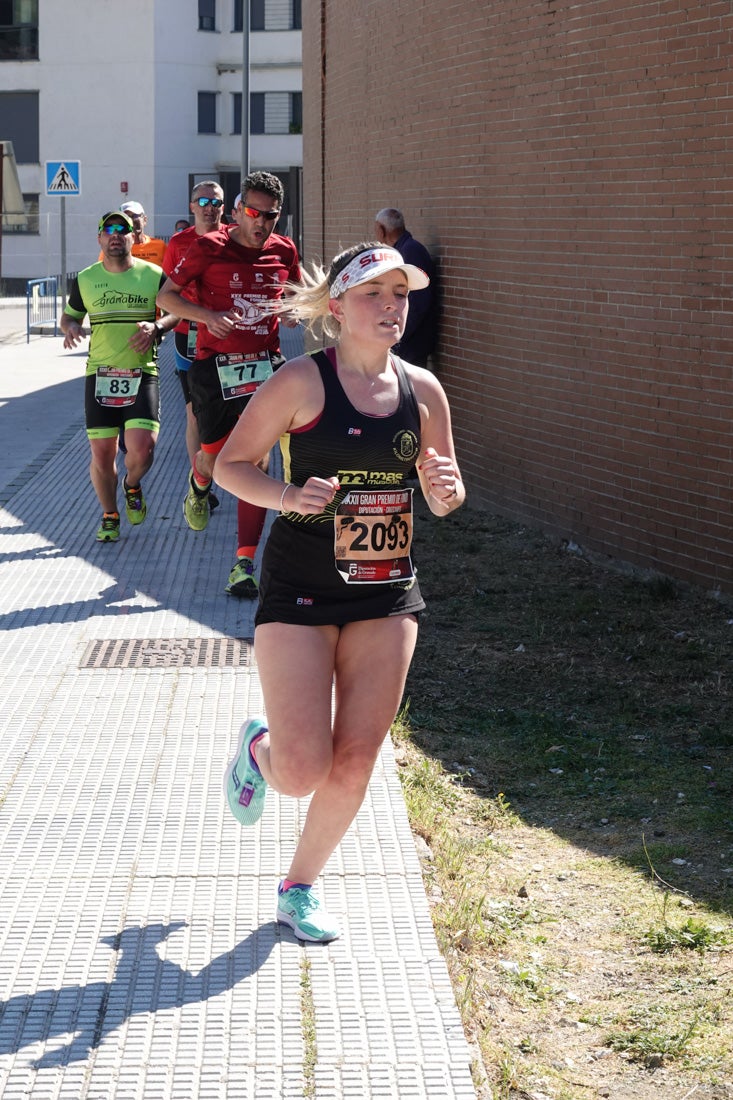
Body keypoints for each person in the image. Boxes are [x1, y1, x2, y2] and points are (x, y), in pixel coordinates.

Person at [213, 241, 465, 941]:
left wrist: (445, 492)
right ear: (336, 308)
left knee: (355, 758)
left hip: (385, 594)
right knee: (301, 771)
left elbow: (444, 490)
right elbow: (232, 465)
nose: (390, 308)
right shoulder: (300, 382)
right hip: (298, 589)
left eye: (400, 294)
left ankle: (299, 886)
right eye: (372, 295)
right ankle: (259, 751)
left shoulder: (423, 389)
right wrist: (291, 494)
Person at [157, 170, 301, 598]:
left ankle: (243, 563)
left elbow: (292, 292)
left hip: (265, 365)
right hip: (215, 367)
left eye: (270, 215)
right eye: (253, 212)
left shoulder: (284, 249)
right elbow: (166, 296)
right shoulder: (208, 248)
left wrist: (293, 309)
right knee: (215, 461)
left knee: (255, 464)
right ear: (237, 211)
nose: (261, 223)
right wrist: (208, 318)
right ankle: (198, 487)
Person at [60, 211, 178, 542]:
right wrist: (70, 329)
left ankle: (132, 484)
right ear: (99, 238)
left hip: (142, 373)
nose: (115, 234)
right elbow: (68, 317)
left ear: (132, 237)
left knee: (143, 450)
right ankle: (110, 514)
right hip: (100, 375)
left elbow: (176, 312)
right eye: (108, 229)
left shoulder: (153, 275)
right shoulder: (85, 279)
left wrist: (156, 327)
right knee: (102, 454)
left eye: (122, 229)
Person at [161, 180, 226, 508]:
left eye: (215, 202)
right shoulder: (178, 243)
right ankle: (200, 485)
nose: (209, 207)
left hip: (225, 336)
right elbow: (168, 294)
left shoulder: (232, 240)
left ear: (223, 208)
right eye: (202, 201)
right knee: (194, 415)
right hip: (189, 335)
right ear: (191, 207)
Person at [374, 208, 437, 367]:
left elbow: (418, 302)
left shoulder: (410, 252)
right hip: (407, 341)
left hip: (410, 344)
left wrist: (398, 336)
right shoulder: (402, 251)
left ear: (382, 230)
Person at [120, 201, 167, 267]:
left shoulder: (160, 246)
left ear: (144, 220)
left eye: (135, 216)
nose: (130, 220)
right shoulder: (115, 248)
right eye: (126, 217)